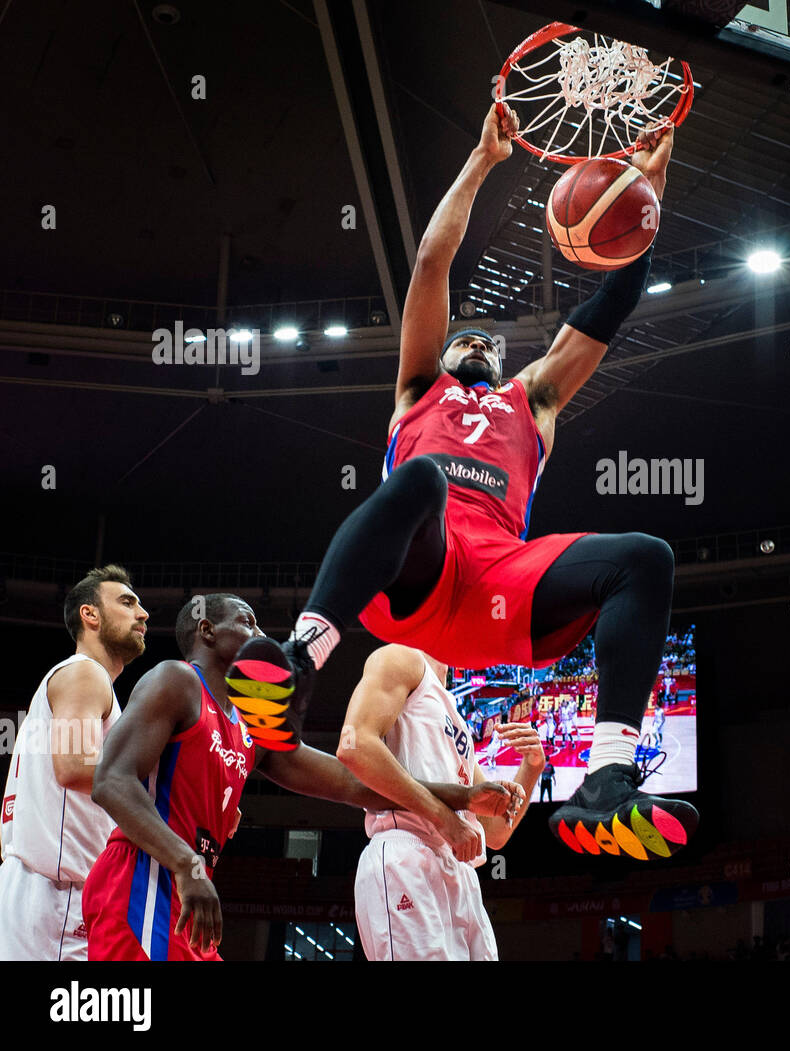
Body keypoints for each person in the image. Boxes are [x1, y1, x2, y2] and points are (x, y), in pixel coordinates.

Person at [224, 103, 696, 860]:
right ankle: (298, 663)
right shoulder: (418, 389)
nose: (475, 343)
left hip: (499, 589)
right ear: (442, 355)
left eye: (489, 341)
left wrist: (645, 192)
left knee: (646, 556)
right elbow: (431, 266)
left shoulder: (533, 399)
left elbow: (613, 302)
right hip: (416, 569)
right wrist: (482, 162)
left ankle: (607, 777)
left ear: (507, 366)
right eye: (463, 338)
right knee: (420, 482)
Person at [82, 595, 516, 961]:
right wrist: (187, 864)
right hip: (146, 875)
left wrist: (462, 794)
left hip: (189, 881)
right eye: (246, 622)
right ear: (207, 630)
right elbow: (112, 781)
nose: (261, 634)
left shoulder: (254, 725)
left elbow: (354, 785)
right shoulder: (175, 680)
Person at [338, 644, 538, 960]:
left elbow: (496, 833)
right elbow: (355, 746)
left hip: (458, 866)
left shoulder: (453, 713)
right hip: (407, 847)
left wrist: (532, 766)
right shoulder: (401, 657)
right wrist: (444, 818)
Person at [0, 566, 147, 960]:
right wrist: (164, 787)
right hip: (57, 895)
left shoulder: (80, 682)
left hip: (46, 892)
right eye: (128, 602)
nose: (143, 613)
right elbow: (75, 767)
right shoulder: (84, 673)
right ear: (90, 615)